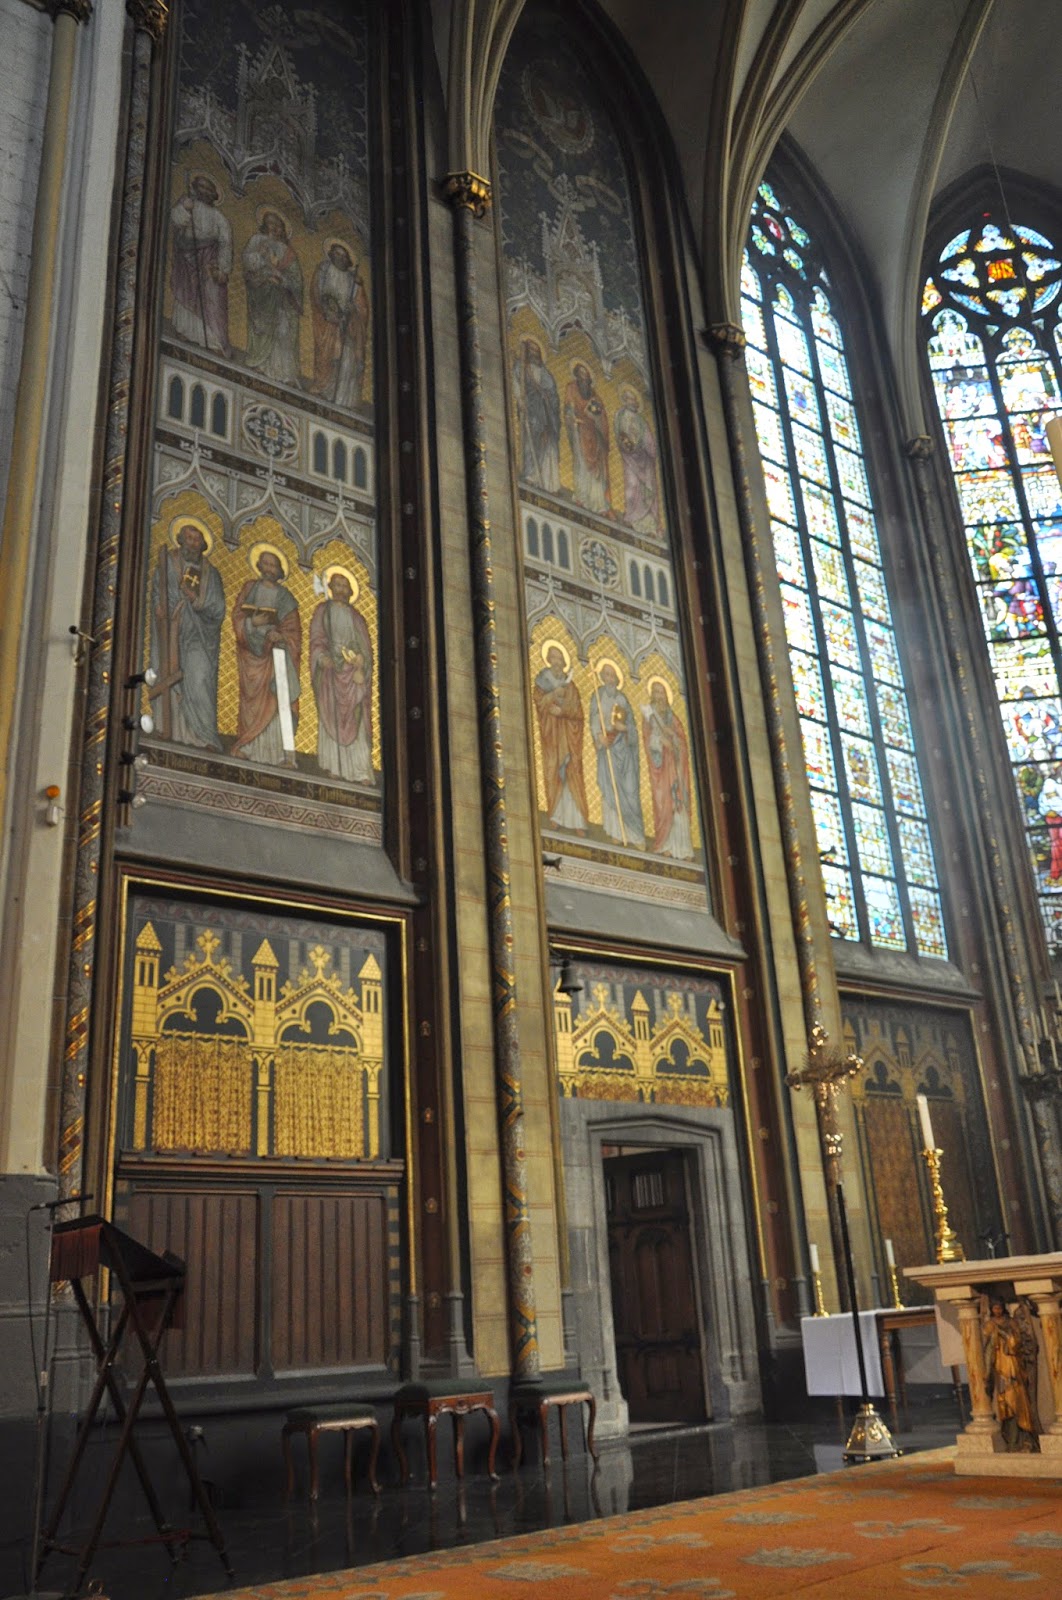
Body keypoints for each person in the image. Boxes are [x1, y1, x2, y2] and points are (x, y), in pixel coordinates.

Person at [149, 518, 225, 750]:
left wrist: (196, 600)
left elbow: (218, 609)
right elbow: (157, 591)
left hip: (198, 637)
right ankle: (167, 728)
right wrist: (160, 607)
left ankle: (203, 735)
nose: (192, 543)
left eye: (196, 540)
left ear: (203, 545)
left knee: (199, 677)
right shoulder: (167, 563)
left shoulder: (211, 574)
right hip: (170, 630)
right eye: (189, 538)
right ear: (180, 540)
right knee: (167, 673)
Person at [231, 546, 302, 768]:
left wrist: (280, 637)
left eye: (274, 565)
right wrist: (252, 623)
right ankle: (248, 746)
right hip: (252, 657)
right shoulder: (250, 588)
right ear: (259, 566)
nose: (270, 569)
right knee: (252, 703)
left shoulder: (285, 597)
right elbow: (237, 616)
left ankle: (282, 754)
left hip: (278, 656)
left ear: (279, 570)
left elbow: (294, 631)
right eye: (266, 564)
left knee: (278, 700)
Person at [309, 568, 374, 783]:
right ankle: (334, 766)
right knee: (332, 714)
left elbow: (365, 648)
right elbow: (317, 638)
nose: (341, 589)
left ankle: (360, 770)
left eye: (345, 586)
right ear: (330, 588)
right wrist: (321, 657)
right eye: (337, 585)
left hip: (353, 673)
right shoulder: (323, 611)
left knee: (356, 716)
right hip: (331, 672)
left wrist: (362, 661)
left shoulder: (357, 618)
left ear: (350, 591)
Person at [169, 173, 232, 356]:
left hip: (209, 261)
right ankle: (185, 330)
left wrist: (223, 269)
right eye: (201, 187)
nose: (204, 191)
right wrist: (184, 209)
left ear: (213, 194)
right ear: (195, 188)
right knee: (187, 292)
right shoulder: (188, 203)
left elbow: (226, 242)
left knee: (212, 298)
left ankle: (213, 340)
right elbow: (175, 219)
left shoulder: (219, 217)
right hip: (187, 257)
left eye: (208, 189)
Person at [242, 209, 304, 387]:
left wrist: (282, 279)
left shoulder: (288, 252)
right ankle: (260, 364)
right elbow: (248, 261)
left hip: (282, 300)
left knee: (283, 331)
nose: (275, 228)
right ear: (264, 225)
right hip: (262, 294)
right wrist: (263, 262)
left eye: (279, 225)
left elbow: (296, 280)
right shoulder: (257, 240)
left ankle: (285, 373)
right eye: (271, 223)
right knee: (263, 327)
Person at [533, 642, 589, 833]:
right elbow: (539, 703)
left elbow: (578, 712)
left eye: (560, 658)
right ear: (549, 660)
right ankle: (555, 816)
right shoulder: (542, 681)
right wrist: (552, 696)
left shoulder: (571, 686)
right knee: (553, 771)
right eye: (554, 658)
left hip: (569, 737)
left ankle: (578, 821)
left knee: (572, 772)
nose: (557, 662)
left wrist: (562, 711)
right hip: (552, 737)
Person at [589, 661, 643, 848]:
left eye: (612, 675)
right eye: (606, 675)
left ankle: (634, 834)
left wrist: (625, 728)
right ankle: (615, 832)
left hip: (624, 750)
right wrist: (599, 737)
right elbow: (594, 719)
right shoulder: (597, 696)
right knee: (610, 787)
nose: (610, 679)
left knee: (630, 790)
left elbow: (632, 727)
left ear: (617, 679)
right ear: (602, 678)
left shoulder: (622, 699)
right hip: (608, 748)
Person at [311, 240, 369, 408]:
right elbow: (316, 292)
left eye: (344, 256)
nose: (341, 258)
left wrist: (352, 312)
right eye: (337, 254)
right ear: (330, 255)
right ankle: (322, 387)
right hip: (327, 322)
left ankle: (340, 397)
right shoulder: (324, 269)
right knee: (325, 354)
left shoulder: (353, 280)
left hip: (346, 326)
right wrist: (326, 311)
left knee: (344, 358)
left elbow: (362, 308)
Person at [981, 1295, 1041, 1452]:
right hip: (1000, 1370)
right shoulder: (989, 1325)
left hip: (1014, 1367)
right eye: (995, 1308)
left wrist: (1006, 1335)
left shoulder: (1012, 1323)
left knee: (1019, 1402)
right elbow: (986, 1350)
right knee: (1006, 1405)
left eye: (999, 1307)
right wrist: (986, 1372)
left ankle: (1026, 1439)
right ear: (991, 1309)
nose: (998, 1310)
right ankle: (1012, 1441)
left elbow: (1017, 1343)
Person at [642, 678, 694, 858]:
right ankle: (665, 845)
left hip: (677, 769)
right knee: (664, 803)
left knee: (679, 804)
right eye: (656, 692)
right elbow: (647, 740)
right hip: (661, 770)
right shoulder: (649, 718)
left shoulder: (674, 719)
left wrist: (674, 741)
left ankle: (684, 849)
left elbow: (683, 742)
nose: (659, 696)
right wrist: (659, 742)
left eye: (662, 692)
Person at [512, 337, 561, 491]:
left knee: (546, 441)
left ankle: (546, 480)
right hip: (531, 409)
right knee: (531, 440)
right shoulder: (520, 366)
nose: (534, 353)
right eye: (531, 350)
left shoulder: (545, 373)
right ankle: (530, 474)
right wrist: (520, 400)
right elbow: (516, 383)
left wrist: (548, 398)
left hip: (545, 412)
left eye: (536, 350)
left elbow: (553, 394)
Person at [564, 361, 610, 514]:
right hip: (579, 432)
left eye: (586, 375)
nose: (584, 377)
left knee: (597, 469)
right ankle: (582, 497)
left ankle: (597, 502)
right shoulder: (571, 388)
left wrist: (598, 421)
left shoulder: (595, 396)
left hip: (594, 436)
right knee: (581, 465)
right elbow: (568, 409)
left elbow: (602, 419)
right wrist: (573, 419)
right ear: (577, 376)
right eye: (581, 374)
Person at [615, 386, 661, 534]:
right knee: (632, 485)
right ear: (625, 400)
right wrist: (627, 445)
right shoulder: (620, 415)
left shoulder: (642, 421)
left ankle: (648, 523)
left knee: (646, 489)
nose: (633, 401)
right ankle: (631, 517)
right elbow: (619, 433)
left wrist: (648, 449)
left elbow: (649, 441)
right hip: (629, 457)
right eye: (630, 399)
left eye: (634, 399)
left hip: (644, 460)